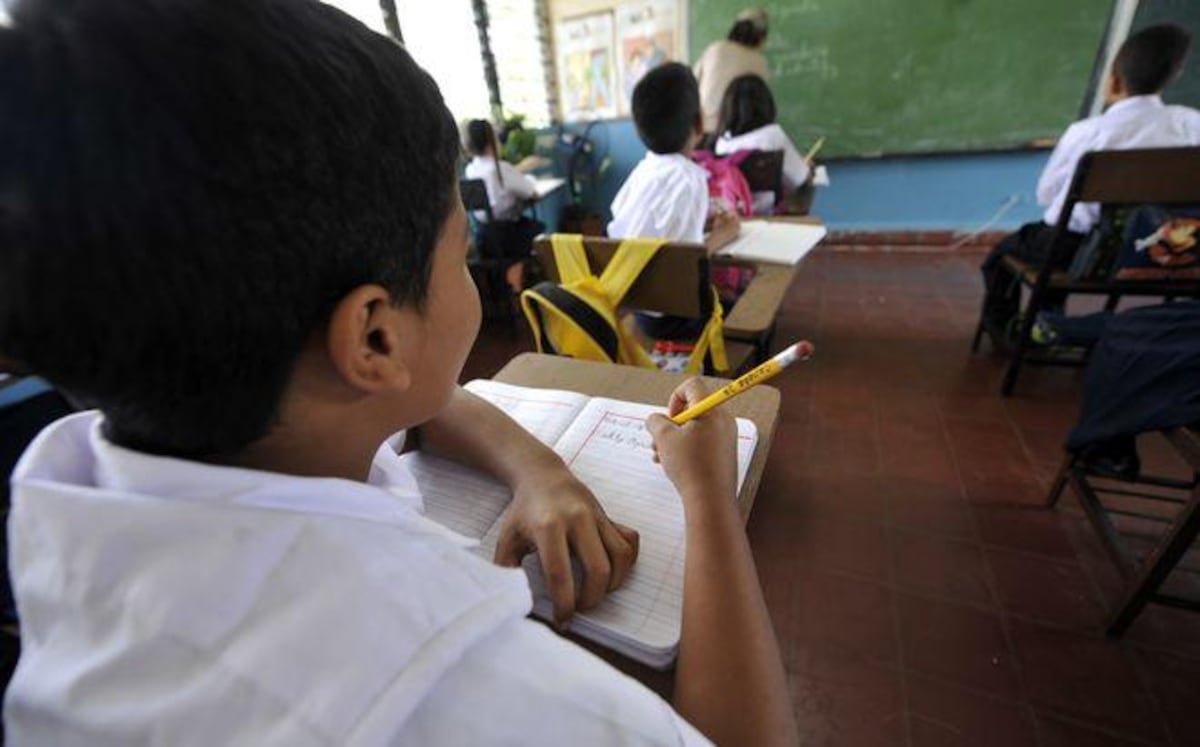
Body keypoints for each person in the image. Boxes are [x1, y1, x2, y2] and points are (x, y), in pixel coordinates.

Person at [0, 1, 798, 745]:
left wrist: (539, 467)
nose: (467, 269)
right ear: (374, 339)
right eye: (458, 249)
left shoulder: (116, 459)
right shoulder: (486, 701)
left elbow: (433, 399)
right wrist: (707, 496)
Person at [980, 23, 1200, 339]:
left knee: (1006, 253)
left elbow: (1046, 195)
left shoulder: (1088, 132)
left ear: (1114, 79)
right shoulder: (1192, 124)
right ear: (1173, 75)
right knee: (1055, 242)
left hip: (1082, 254)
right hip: (1166, 252)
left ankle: (1016, 336)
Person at [608, 62, 739, 342]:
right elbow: (686, 262)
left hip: (639, 308)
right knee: (738, 306)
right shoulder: (690, 178)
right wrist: (724, 234)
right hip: (675, 317)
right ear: (699, 122)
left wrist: (696, 221)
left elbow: (628, 226)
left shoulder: (641, 171)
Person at [462, 118, 544, 292]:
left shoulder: (471, 170)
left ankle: (510, 282)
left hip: (483, 237)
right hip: (506, 237)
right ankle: (518, 283)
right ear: (493, 139)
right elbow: (532, 193)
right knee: (537, 229)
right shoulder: (500, 169)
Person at [714, 74, 812, 214]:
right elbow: (800, 179)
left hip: (732, 215)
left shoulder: (721, 143)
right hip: (768, 217)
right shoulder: (772, 135)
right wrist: (808, 168)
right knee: (806, 187)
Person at [693, 8, 769, 134]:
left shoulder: (715, 49)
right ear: (761, 37)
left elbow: (693, 81)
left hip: (702, 130)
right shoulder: (760, 62)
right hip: (735, 136)